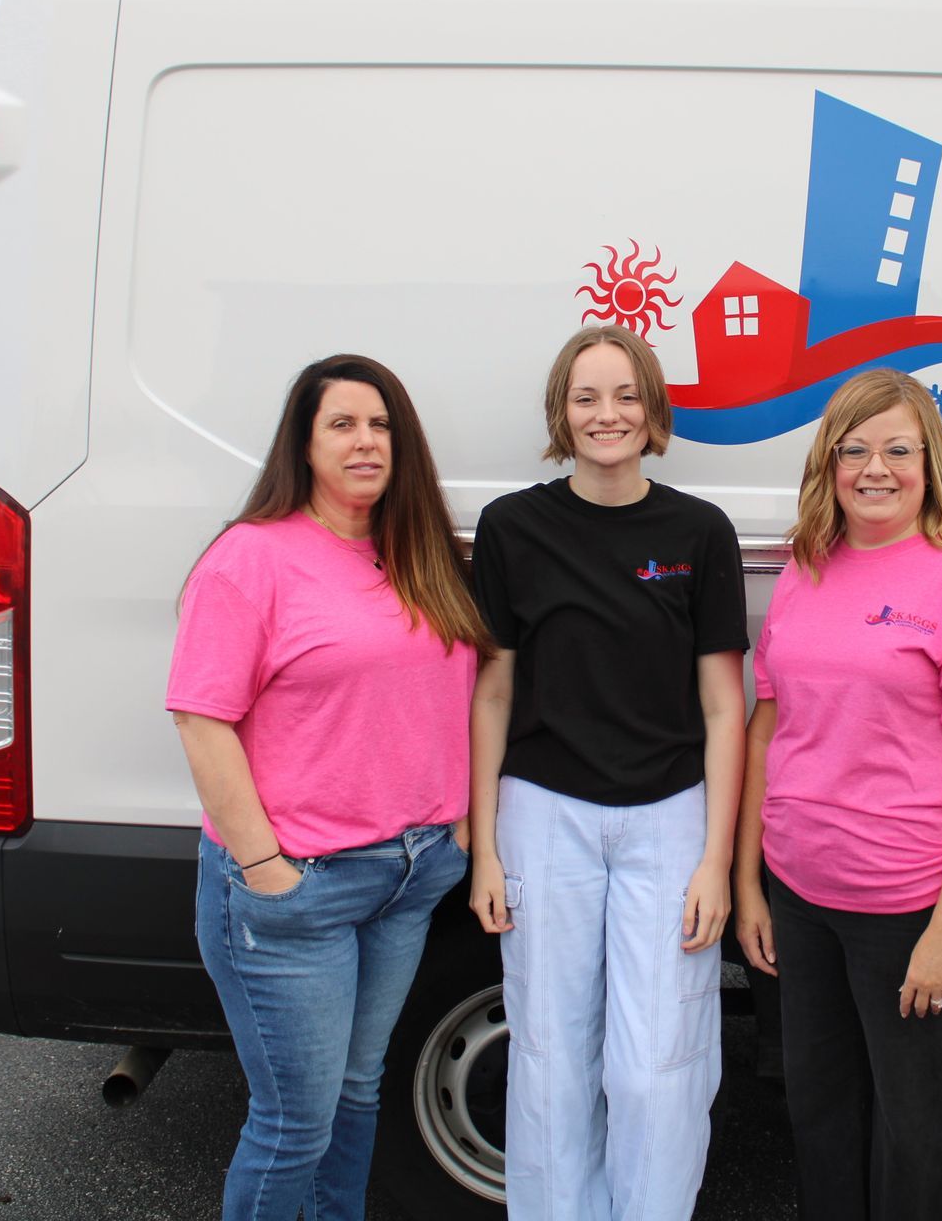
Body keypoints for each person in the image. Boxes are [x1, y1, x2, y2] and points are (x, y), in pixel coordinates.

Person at [166, 354, 491, 1221]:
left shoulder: (417, 554)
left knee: (356, 1095)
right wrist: (266, 866)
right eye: (342, 424)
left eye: (380, 424)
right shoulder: (252, 559)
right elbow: (202, 719)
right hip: (299, 887)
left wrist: (455, 825)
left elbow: (453, 694)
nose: (365, 441)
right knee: (293, 1124)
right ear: (303, 445)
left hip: (410, 876)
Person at [466, 324, 748, 1221]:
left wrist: (715, 859)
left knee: (656, 1063)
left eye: (625, 395)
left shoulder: (699, 532)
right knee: (550, 1055)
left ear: (653, 411)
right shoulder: (515, 527)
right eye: (586, 397)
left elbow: (721, 708)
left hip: (669, 818)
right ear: (561, 413)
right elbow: (492, 693)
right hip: (543, 816)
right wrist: (481, 849)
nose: (607, 414)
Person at [732, 368, 942, 1221]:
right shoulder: (805, 570)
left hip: (907, 903)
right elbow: (766, 728)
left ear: (930, 462)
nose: (875, 468)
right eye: (854, 450)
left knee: (917, 1123)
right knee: (819, 1111)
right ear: (828, 465)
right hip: (803, 897)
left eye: (898, 449)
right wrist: (753, 883)